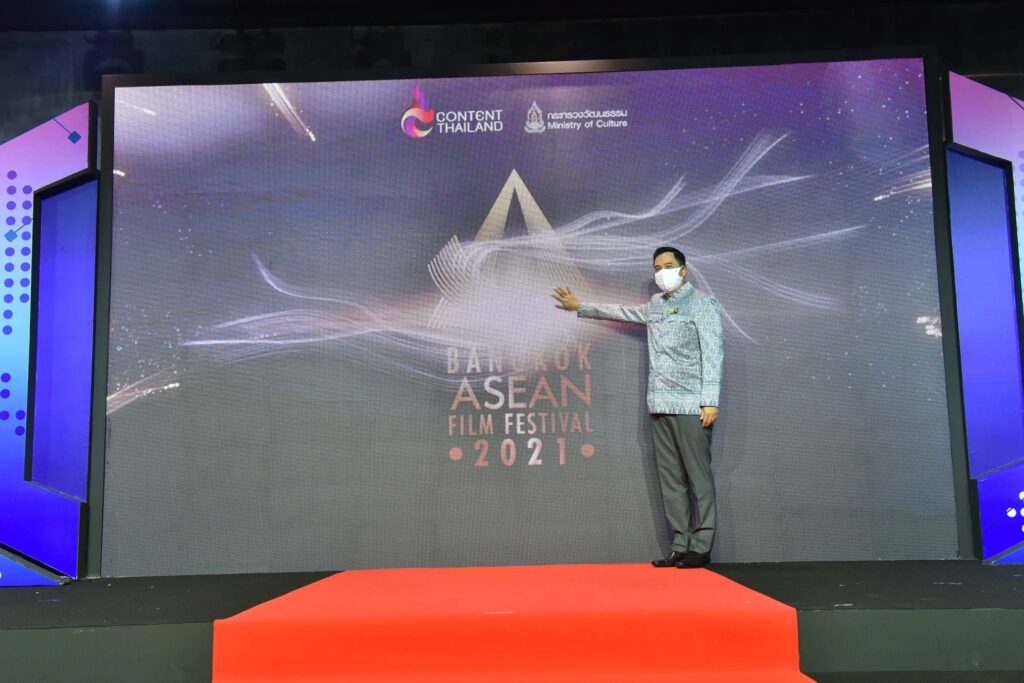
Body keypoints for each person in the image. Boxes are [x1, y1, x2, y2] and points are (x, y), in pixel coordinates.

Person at [551, 246, 723, 569]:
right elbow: (622, 311)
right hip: (659, 404)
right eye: (657, 268)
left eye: (668, 266)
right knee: (671, 480)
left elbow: (713, 352)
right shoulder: (655, 305)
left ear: (683, 270)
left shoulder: (703, 304)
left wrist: (710, 400)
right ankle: (681, 544)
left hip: (691, 405)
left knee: (698, 479)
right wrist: (580, 307)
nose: (662, 272)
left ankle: (702, 546)